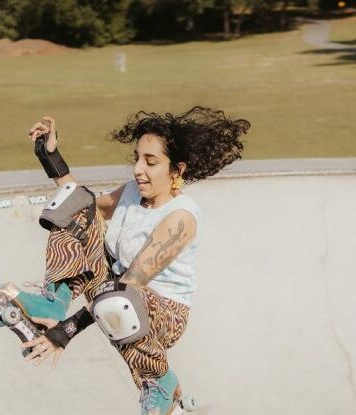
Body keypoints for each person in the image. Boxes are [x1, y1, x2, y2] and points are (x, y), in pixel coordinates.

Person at [17, 107, 249, 414]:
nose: (138, 169)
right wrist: (50, 156)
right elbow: (84, 204)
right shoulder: (129, 192)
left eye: (151, 162)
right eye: (137, 158)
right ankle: (53, 300)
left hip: (161, 312)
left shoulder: (180, 218)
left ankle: (162, 381)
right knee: (73, 207)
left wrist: (64, 333)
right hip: (112, 293)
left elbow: (131, 284)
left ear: (176, 170)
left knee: (117, 299)